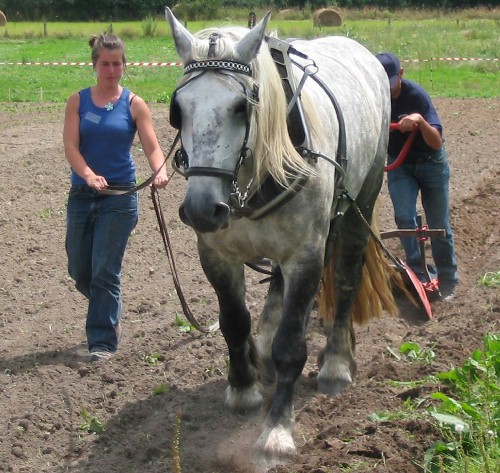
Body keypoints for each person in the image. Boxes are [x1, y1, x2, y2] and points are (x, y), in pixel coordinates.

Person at [63, 34, 168, 361]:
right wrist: (88, 174)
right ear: (94, 65)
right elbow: (70, 147)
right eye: (105, 64)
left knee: (105, 270)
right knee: (81, 269)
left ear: (124, 65)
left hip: (120, 197)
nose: (111, 70)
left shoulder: (134, 103)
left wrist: (159, 169)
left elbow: (152, 145)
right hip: (82, 194)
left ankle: (102, 342)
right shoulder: (77, 101)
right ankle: (107, 309)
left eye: (117, 63)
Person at [376, 52, 458, 301]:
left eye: (391, 82)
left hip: (431, 163)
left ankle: (447, 278)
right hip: (400, 165)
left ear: (401, 74)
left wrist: (420, 122)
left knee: (438, 224)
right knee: (403, 217)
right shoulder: (375, 97)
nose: (388, 89)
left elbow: (435, 142)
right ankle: (417, 271)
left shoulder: (416, 95)